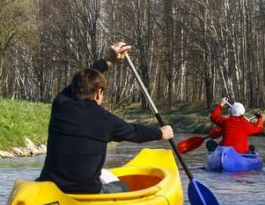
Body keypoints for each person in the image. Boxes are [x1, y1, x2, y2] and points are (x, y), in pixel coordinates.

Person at [37, 42, 174, 194]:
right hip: (86, 192)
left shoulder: (61, 104)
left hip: (50, 187)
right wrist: (161, 133)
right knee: (123, 187)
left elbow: (78, 84)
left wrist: (109, 60)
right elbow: (135, 132)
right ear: (98, 93)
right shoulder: (107, 121)